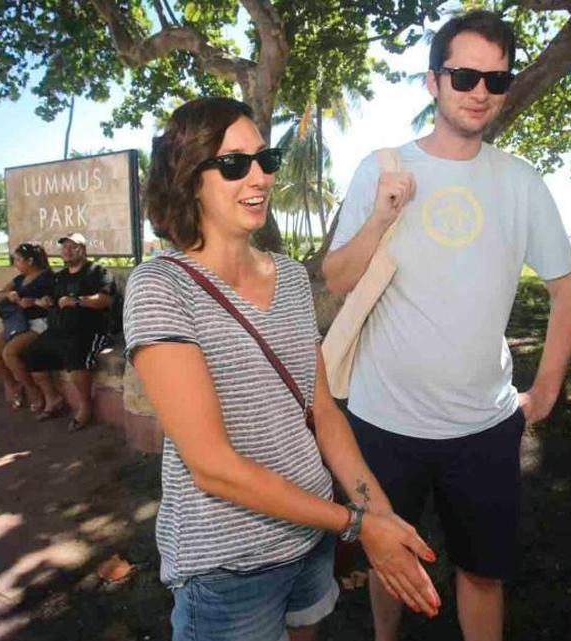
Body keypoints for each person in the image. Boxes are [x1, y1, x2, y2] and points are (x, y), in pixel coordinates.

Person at [124, 97, 441, 641]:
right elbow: (212, 467)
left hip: (309, 543)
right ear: (187, 179)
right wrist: (357, 524)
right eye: (232, 163)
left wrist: (386, 523)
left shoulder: (292, 279)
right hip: (228, 567)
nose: (259, 176)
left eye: (264, 159)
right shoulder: (161, 287)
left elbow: (321, 412)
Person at [322, 10, 571, 641]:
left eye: (496, 80)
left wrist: (545, 391)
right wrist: (382, 217)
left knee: (483, 573)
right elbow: (336, 278)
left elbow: (566, 289)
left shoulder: (521, 181)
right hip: (383, 423)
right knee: (391, 561)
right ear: (433, 82)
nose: (479, 91)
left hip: (485, 427)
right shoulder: (379, 169)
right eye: (464, 75)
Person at [20, 233, 116, 431]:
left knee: (74, 352)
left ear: (84, 249)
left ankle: (85, 406)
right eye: (64, 247)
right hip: (59, 329)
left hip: (90, 330)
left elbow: (105, 300)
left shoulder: (97, 271)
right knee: (31, 354)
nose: (67, 250)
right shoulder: (60, 276)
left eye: (73, 246)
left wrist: (78, 301)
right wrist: (45, 302)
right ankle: (52, 399)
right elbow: (54, 302)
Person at [0, 242, 53, 410]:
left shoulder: (47, 278)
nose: (15, 263)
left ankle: (33, 391)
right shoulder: (20, 279)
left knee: (9, 353)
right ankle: (14, 386)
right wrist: (9, 294)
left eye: (18, 260)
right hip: (17, 323)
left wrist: (34, 302)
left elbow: (50, 303)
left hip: (38, 323)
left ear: (29, 261)